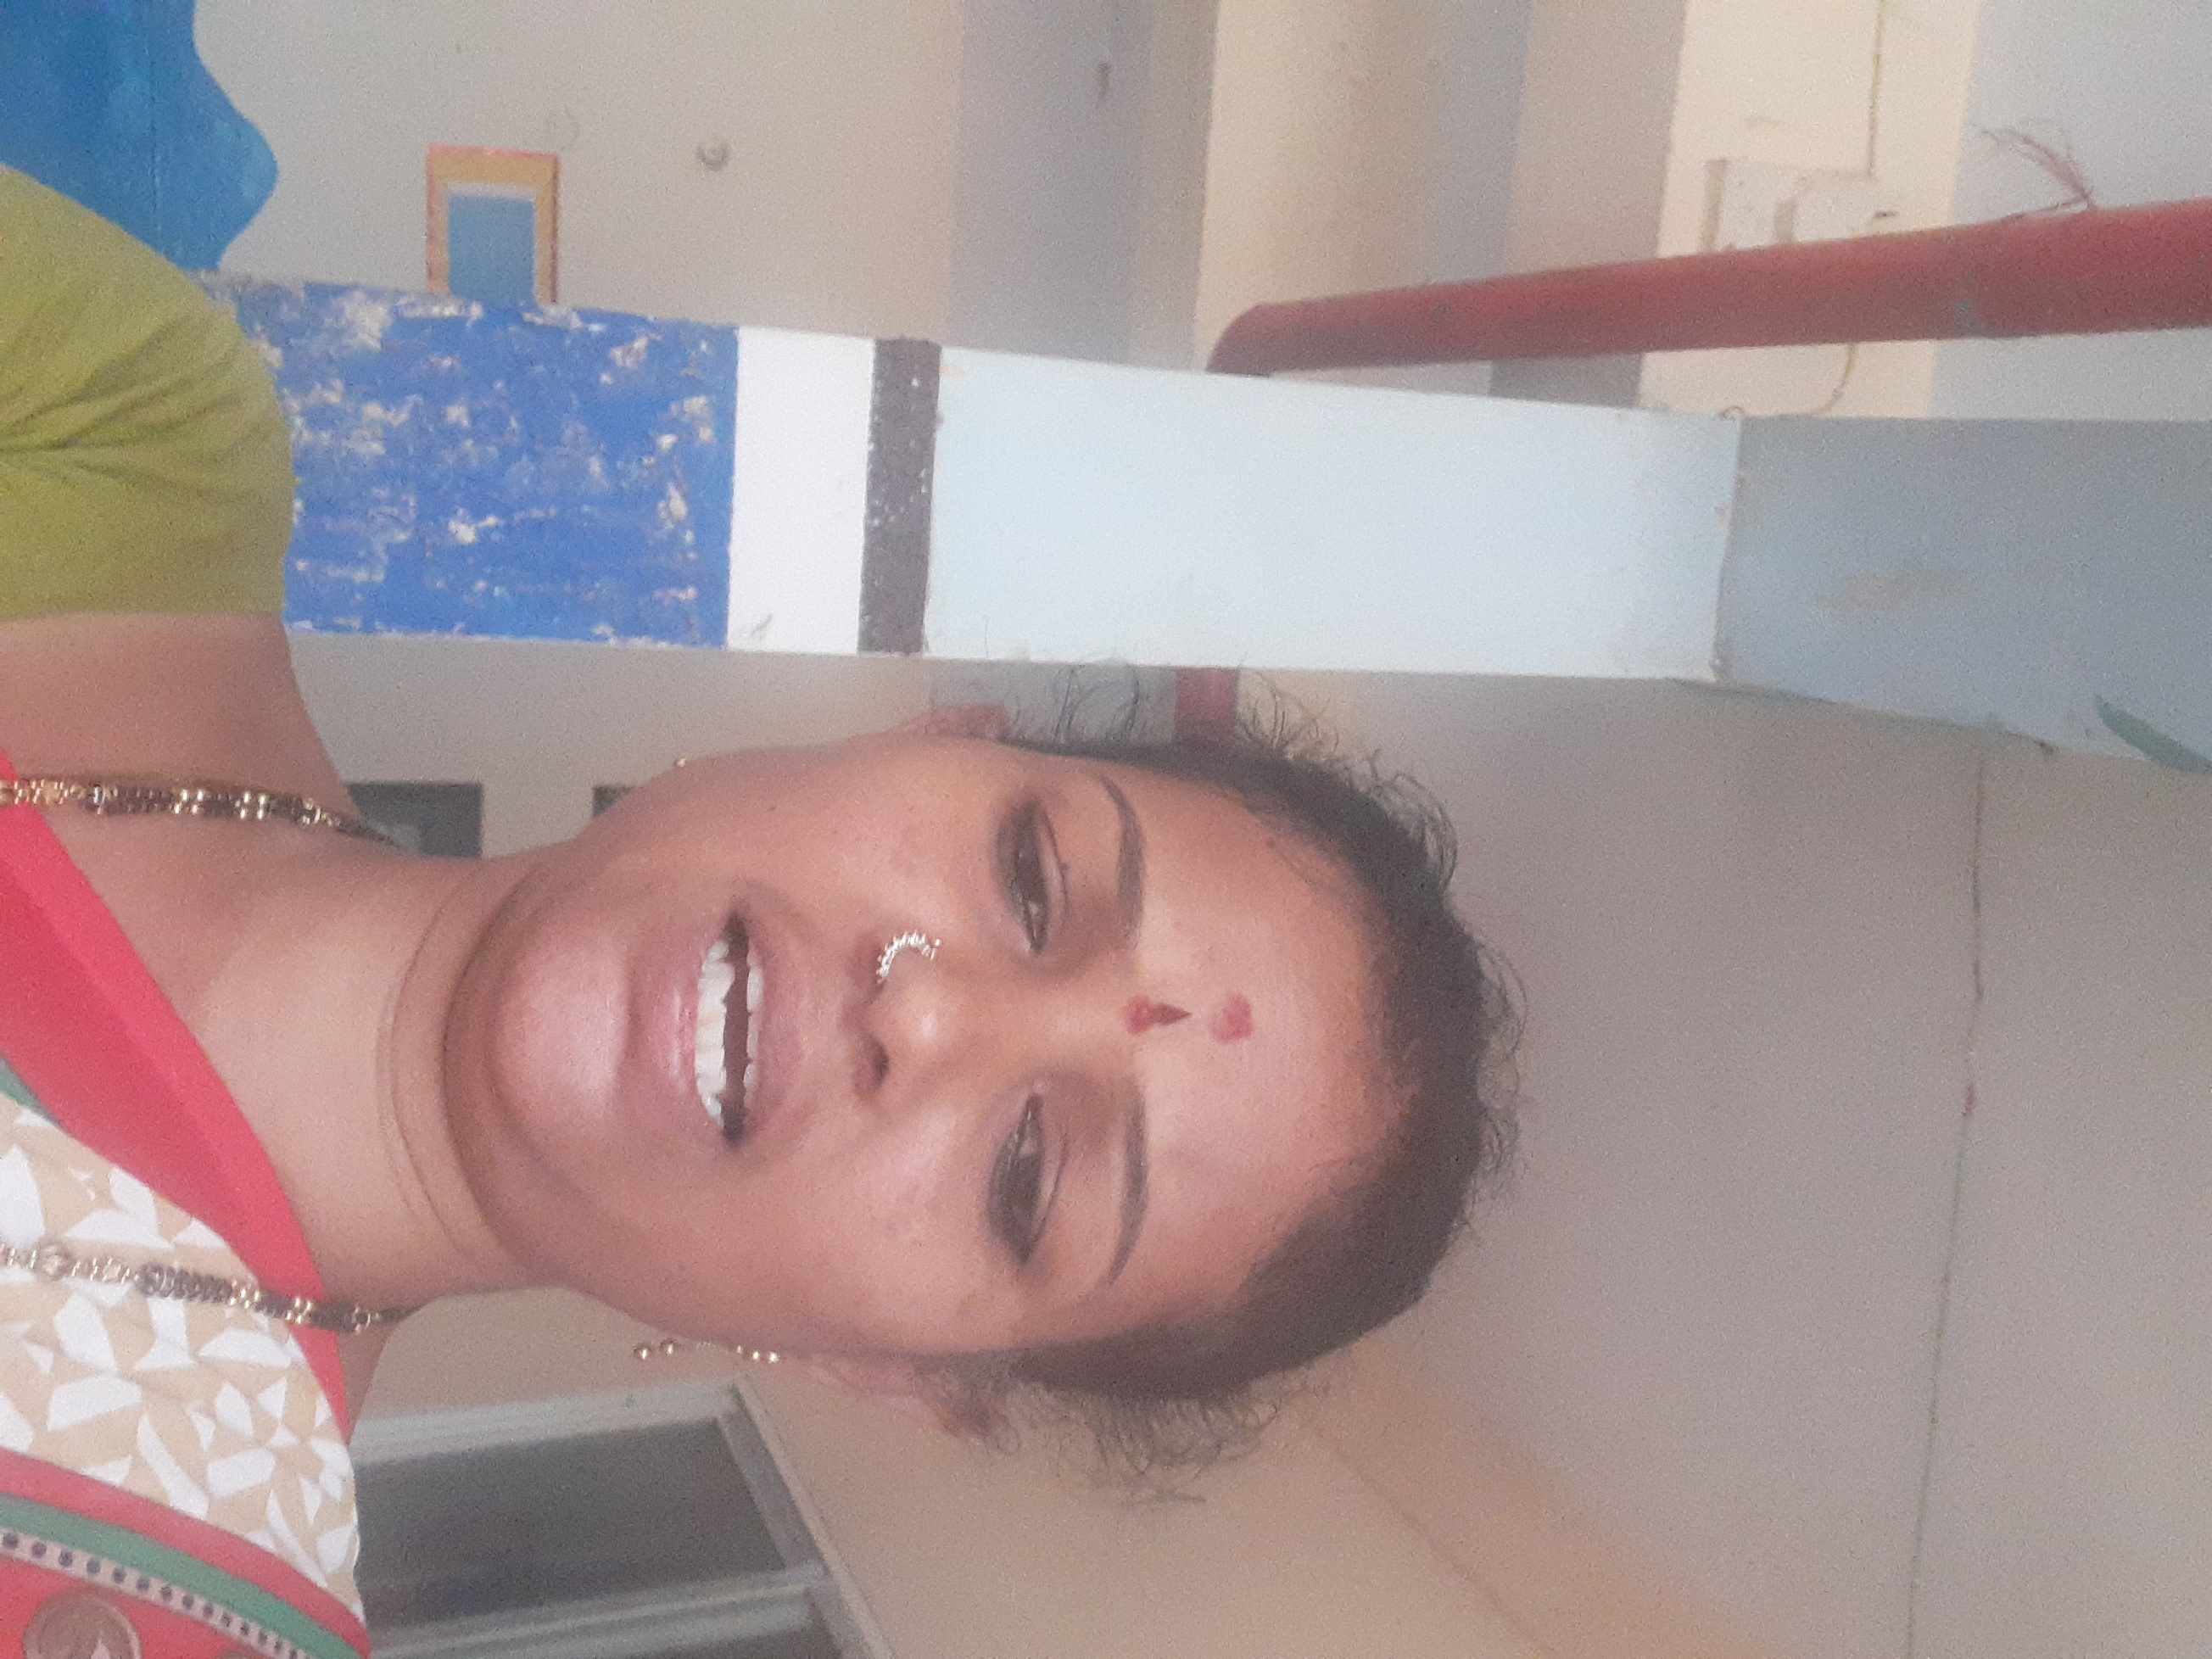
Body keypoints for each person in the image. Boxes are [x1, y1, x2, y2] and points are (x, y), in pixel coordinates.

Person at [1, 165, 1513, 1656]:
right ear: (923, 737)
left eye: (1028, 1177)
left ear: (895, 1370)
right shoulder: (126, 438)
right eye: (1031, 877)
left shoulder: (176, 1611)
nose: (926, 1011)